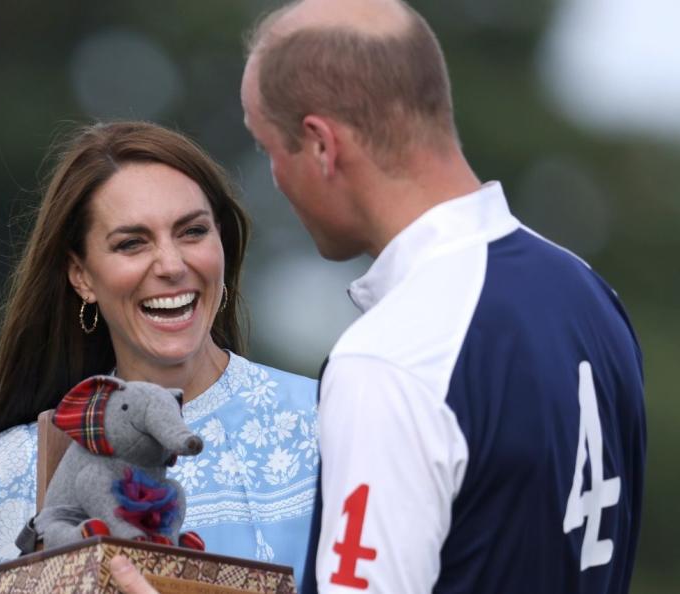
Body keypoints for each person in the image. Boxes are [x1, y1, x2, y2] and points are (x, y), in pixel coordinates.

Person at [112, 0, 646, 592]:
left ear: (320, 145)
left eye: (270, 150)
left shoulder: (389, 359)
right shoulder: (590, 295)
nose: (275, 179)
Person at [0, 121, 320, 586]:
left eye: (192, 232)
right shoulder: (17, 463)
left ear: (223, 247)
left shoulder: (328, 420)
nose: (171, 266)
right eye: (132, 243)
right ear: (81, 275)